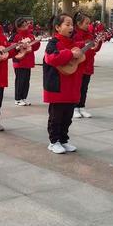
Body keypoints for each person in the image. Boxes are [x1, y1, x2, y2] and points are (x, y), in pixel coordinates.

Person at [43, 13, 85, 154]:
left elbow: (84, 55)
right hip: (57, 86)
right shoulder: (53, 43)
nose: (71, 27)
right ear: (57, 27)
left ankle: (63, 139)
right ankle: (54, 141)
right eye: (67, 24)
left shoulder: (74, 43)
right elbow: (51, 58)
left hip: (71, 85)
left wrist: (93, 46)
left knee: (67, 116)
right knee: (56, 116)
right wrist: (70, 54)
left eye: (72, 24)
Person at [72, 11, 102, 119]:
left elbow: (94, 49)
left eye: (90, 23)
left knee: (84, 87)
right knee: (77, 87)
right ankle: (74, 108)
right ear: (79, 23)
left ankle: (82, 106)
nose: (89, 25)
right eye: (86, 23)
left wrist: (98, 44)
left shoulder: (90, 35)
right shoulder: (74, 34)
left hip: (88, 65)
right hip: (78, 65)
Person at [11, 16, 41, 106]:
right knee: (20, 80)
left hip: (28, 61)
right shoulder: (15, 36)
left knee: (26, 81)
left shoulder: (31, 35)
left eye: (26, 25)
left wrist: (37, 42)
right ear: (18, 27)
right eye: (23, 26)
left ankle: (24, 97)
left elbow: (35, 48)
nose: (25, 28)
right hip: (19, 61)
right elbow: (12, 47)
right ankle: (17, 98)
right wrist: (19, 47)